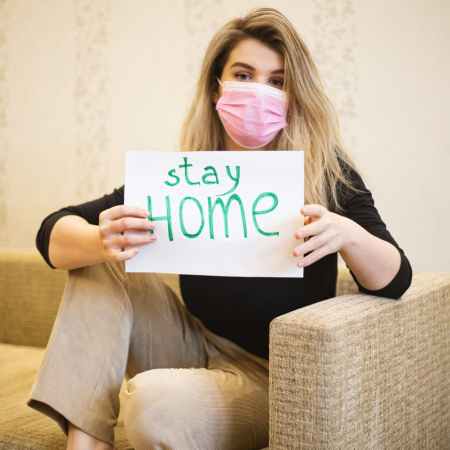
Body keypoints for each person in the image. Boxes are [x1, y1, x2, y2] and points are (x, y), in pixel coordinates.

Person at [27, 7, 413, 450]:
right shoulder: (186, 176)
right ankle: (86, 443)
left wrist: (348, 234)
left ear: (294, 96)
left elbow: (396, 280)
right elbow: (52, 232)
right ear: (217, 88)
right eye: (243, 75)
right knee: (97, 258)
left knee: (153, 406)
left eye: (277, 81)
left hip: (268, 377)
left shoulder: (325, 171)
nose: (259, 91)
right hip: (190, 345)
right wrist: (100, 239)